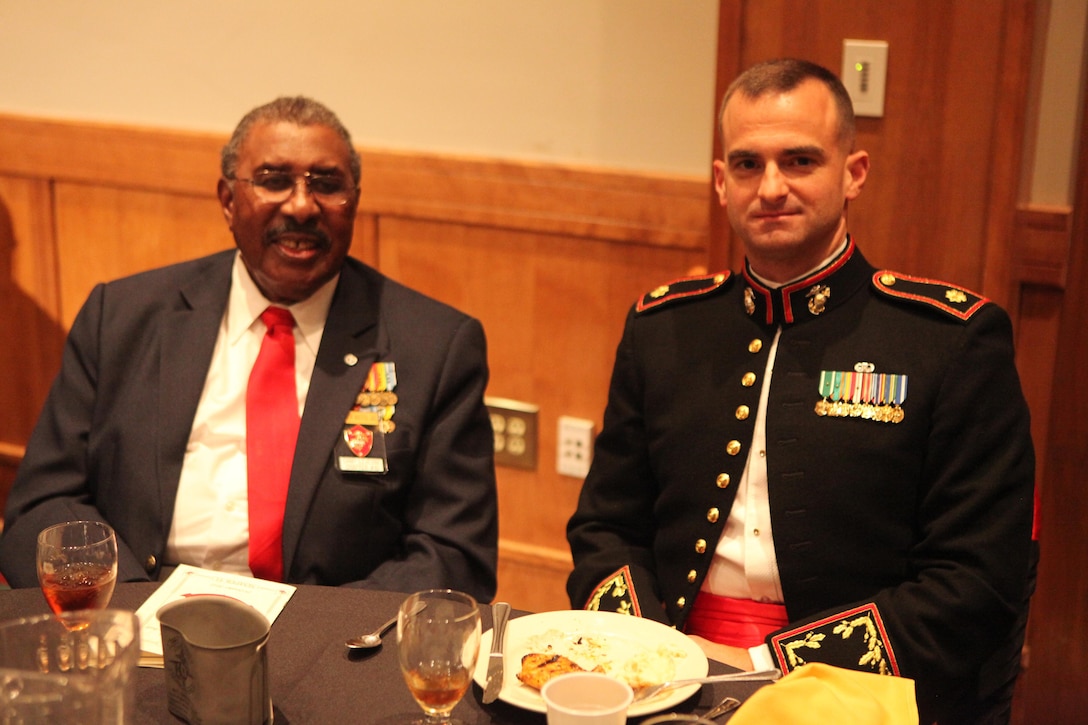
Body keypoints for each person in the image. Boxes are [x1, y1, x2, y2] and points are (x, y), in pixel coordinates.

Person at [566, 59, 1034, 723]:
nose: (772, 187)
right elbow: (605, 526)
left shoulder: (949, 342)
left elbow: (975, 583)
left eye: (801, 160)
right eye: (748, 164)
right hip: (665, 671)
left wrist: (762, 665)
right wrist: (647, 654)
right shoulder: (662, 326)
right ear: (722, 183)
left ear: (853, 173)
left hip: (856, 693)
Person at [0, 97, 498, 602]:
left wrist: (302, 632)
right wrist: (133, 608)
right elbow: (43, 504)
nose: (302, 205)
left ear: (354, 201)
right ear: (227, 200)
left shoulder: (433, 346)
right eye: (274, 179)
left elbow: (453, 554)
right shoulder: (123, 316)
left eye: (326, 184)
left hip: (323, 640)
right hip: (136, 611)